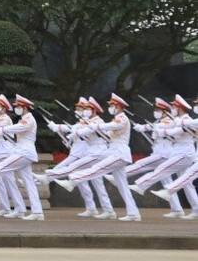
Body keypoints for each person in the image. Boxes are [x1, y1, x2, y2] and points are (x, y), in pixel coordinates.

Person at [57, 93, 141, 221]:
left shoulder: (122, 118)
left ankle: (72, 181)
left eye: (113, 105)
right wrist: (90, 130)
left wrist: (97, 126)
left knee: (97, 168)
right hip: (113, 151)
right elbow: (107, 134)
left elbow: (113, 126)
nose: (111, 107)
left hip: (119, 153)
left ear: (118, 106)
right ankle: (133, 213)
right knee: (122, 185)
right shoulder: (115, 118)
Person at [37, 97, 115, 219]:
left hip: (89, 154)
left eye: (83, 108)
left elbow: (76, 129)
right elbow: (73, 128)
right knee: (84, 183)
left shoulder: (95, 121)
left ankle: (107, 210)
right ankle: (92, 208)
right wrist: (58, 128)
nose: (80, 111)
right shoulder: (85, 121)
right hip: (88, 153)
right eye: (80, 108)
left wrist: (65, 129)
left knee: (96, 183)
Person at [129, 97, 198, 217]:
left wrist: (163, 131)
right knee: (186, 182)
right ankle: (194, 209)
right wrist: (152, 128)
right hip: (178, 151)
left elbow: (176, 130)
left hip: (184, 152)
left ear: (180, 108)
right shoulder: (178, 119)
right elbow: (164, 126)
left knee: (163, 168)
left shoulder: (186, 119)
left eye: (175, 107)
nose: (173, 109)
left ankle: (142, 185)